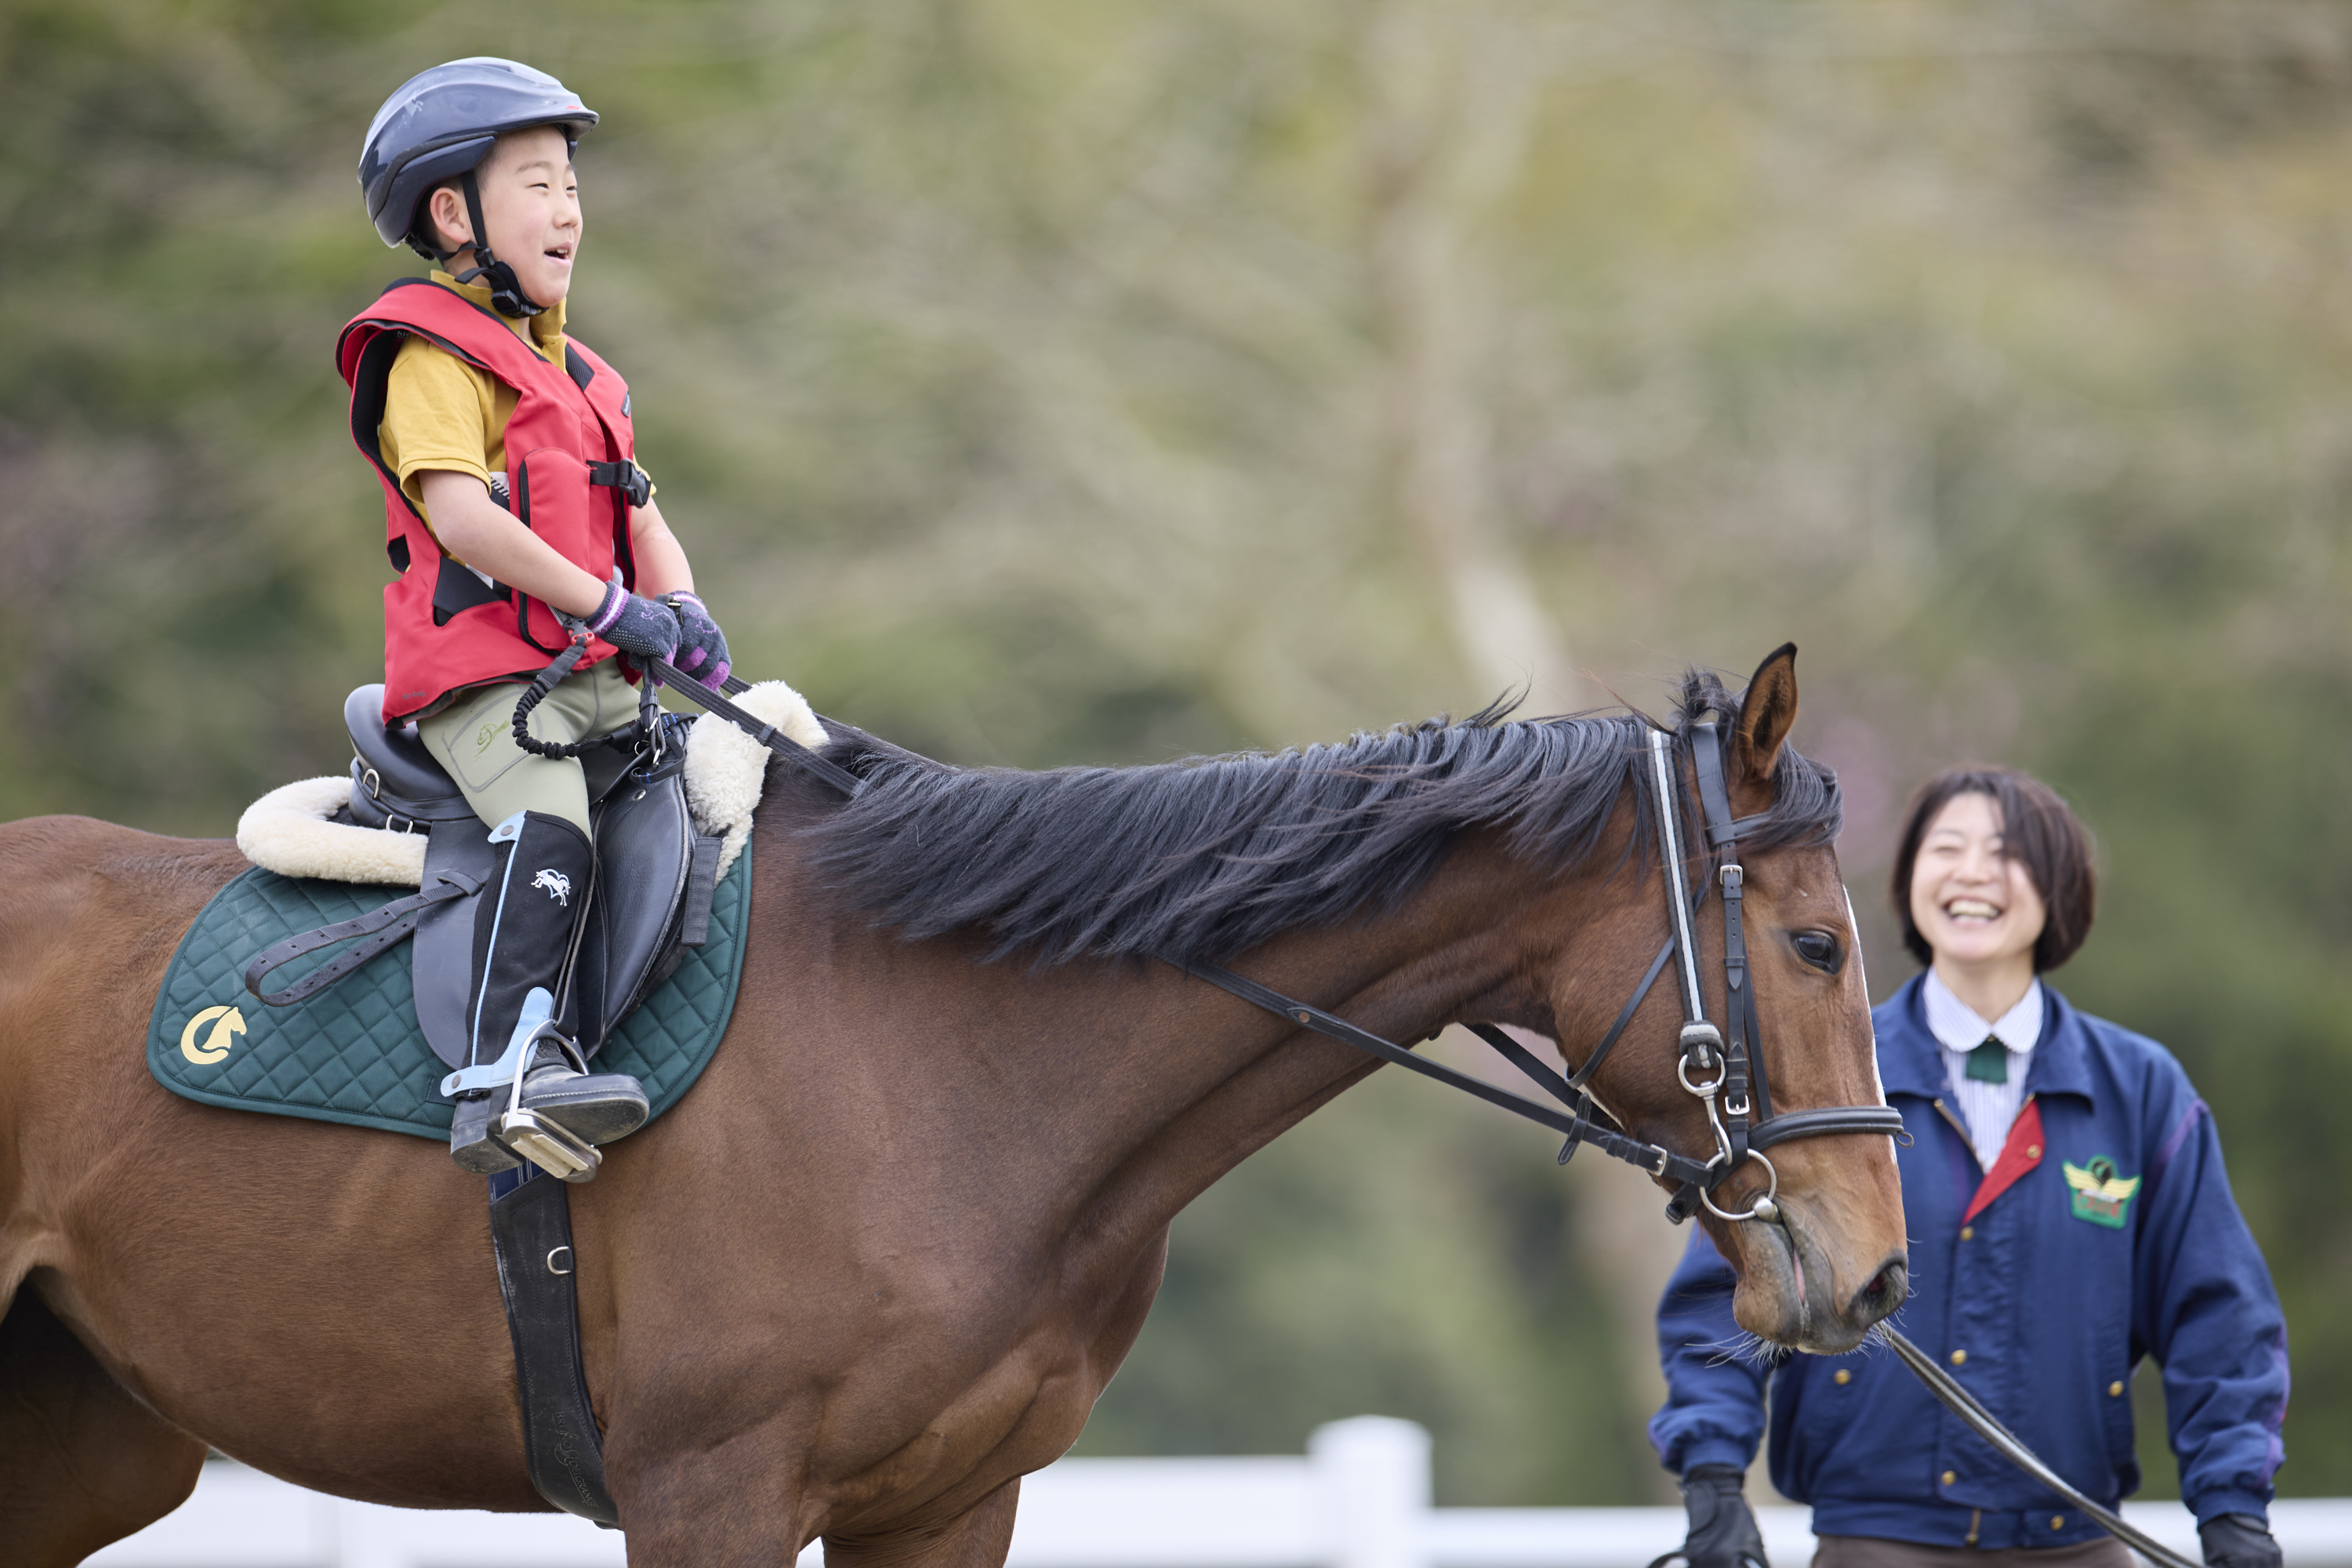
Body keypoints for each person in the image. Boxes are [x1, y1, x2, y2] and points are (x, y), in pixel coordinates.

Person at [1649, 766, 2288, 1568]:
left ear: (2059, 885)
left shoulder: (2142, 1092)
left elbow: (2220, 1320)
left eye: (2006, 850)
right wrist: (1712, 1478)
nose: (1973, 870)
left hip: (2078, 1545)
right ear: (1910, 879)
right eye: (1945, 847)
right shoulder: (1812, 1076)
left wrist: (2234, 1513)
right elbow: (1722, 1292)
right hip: (1871, 1545)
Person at [341, 58, 733, 1171]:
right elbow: (465, 520)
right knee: (553, 820)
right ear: (455, 211)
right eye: (536, 184)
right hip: (490, 696)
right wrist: (611, 606)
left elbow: (642, 516)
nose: (567, 210)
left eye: (571, 185)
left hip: (597, 684)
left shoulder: (587, 378)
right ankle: (509, 1066)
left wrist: (681, 604)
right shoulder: (427, 358)